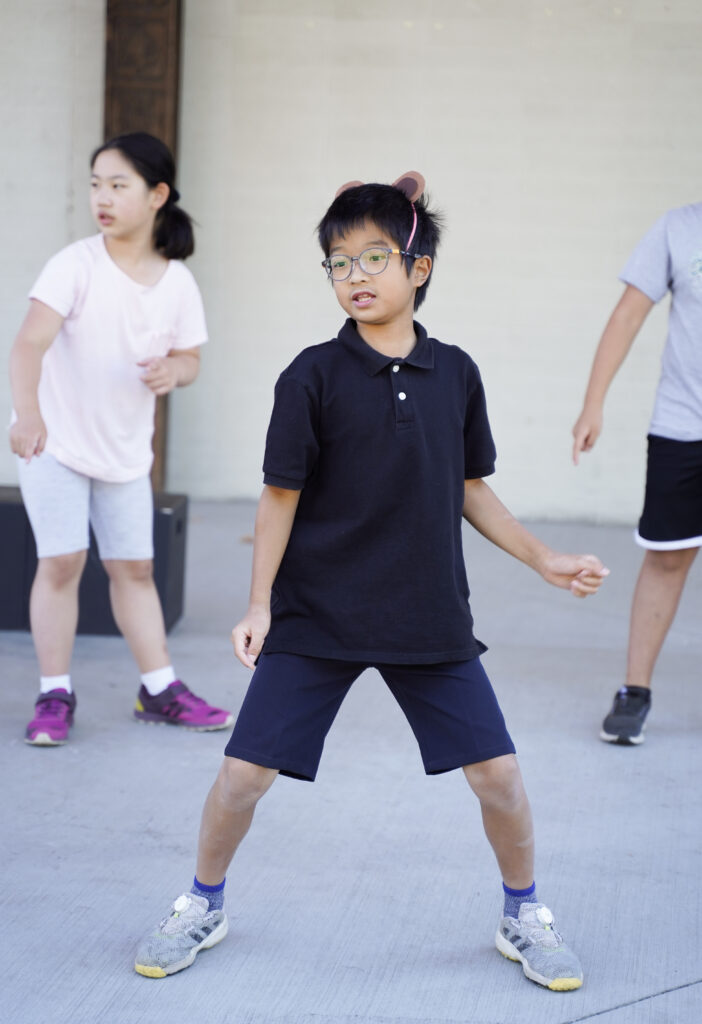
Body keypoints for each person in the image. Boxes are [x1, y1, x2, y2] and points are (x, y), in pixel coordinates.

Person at [134, 173, 608, 990]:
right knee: (242, 775)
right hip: (318, 613)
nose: (355, 275)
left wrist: (544, 559)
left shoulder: (455, 373)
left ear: (419, 268)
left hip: (428, 613)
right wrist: (258, 605)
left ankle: (523, 912)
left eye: (374, 257)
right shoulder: (310, 376)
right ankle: (201, 902)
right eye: (339, 262)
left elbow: (469, 488)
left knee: (498, 776)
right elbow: (279, 497)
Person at [9, 132, 233, 746]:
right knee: (62, 562)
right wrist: (27, 415)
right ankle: (54, 693)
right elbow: (28, 343)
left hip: (125, 451)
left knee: (135, 567)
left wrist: (174, 371)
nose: (101, 198)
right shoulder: (74, 264)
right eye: (95, 185)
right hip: (54, 441)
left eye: (117, 185)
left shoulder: (177, 282)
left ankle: (158, 689)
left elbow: (190, 359)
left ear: (157, 195)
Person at [572, 201, 702, 745]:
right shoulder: (679, 228)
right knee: (668, 558)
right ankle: (635, 692)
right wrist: (593, 402)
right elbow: (627, 315)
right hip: (683, 425)